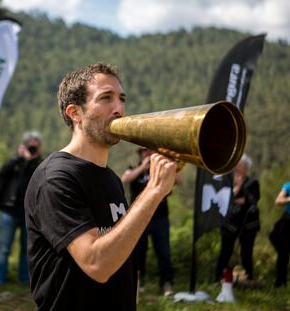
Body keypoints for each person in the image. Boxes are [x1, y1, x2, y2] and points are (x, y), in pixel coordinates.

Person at [24, 62, 178, 310]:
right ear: (75, 113)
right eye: (106, 98)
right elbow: (96, 264)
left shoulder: (112, 179)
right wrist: (153, 191)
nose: (119, 109)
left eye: (121, 99)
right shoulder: (55, 178)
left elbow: (124, 260)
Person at [121, 147, 180, 296]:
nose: (147, 154)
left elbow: (179, 180)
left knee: (164, 253)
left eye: (150, 151)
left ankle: (167, 284)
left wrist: (167, 165)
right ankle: (137, 284)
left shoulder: (160, 169)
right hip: (138, 219)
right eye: (144, 152)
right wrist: (143, 167)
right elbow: (125, 178)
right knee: (138, 253)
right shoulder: (134, 168)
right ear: (140, 154)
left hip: (160, 218)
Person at [0, 131, 43, 285]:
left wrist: (34, 161)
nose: (32, 149)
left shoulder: (39, 164)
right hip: (9, 211)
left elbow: (43, 179)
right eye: (30, 146)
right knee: (3, 249)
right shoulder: (14, 163)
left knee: (27, 250)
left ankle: (24, 281)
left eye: (35, 146)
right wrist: (20, 159)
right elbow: (1, 175)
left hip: (29, 214)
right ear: (23, 146)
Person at [215, 154, 260, 283]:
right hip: (230, 223)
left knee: (247, 252)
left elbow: (253, 199)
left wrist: (240, 199)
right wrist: (238, 187)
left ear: (246, 167)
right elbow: (227, 198)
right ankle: (218, 277)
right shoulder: (228, 181)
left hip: (248, 223)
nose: (237, 167)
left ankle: (249, 277)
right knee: (225, 250)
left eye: (239, 164)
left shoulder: (253, 182)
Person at [270, 181, 290, 287]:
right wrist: (289, 199)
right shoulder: (288, 186)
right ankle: (281, 282)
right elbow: (278, 200)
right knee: (283, 253)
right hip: (287, 222)